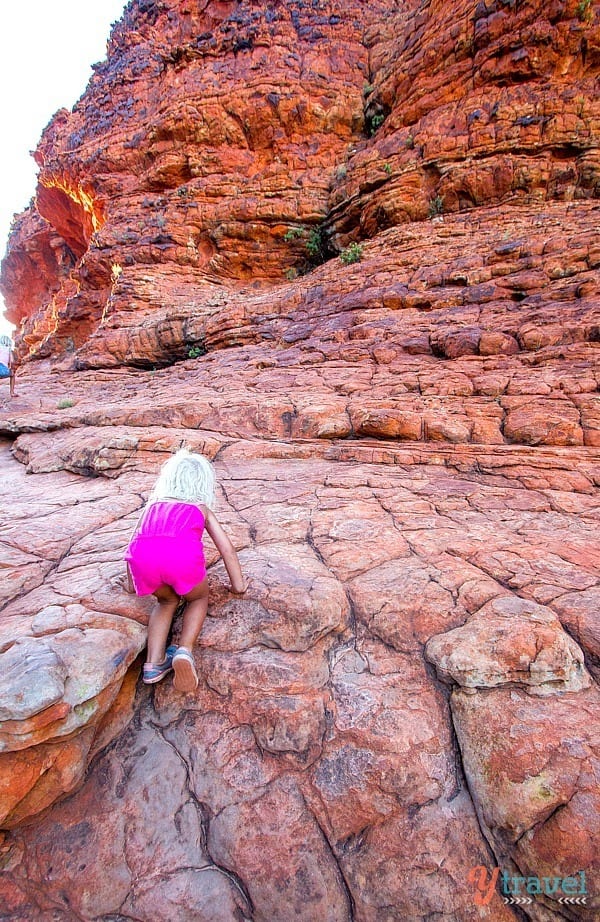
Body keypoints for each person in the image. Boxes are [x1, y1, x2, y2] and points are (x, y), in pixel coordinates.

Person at [125, 448, 245, 692]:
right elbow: (227, 550)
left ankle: (154, 663)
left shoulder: (153, 506)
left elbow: (132, 545)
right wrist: (238, 586)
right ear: (203, 482)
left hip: (143, 561)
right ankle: (184, 650)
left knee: (166, 602)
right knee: (198, 598)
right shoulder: (200, 508)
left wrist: (131, 585)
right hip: (181, 560)